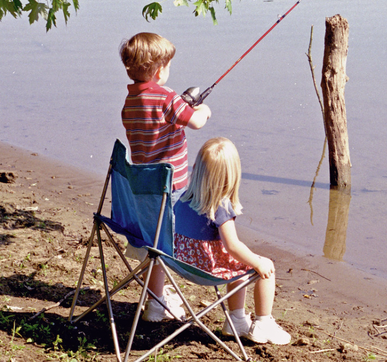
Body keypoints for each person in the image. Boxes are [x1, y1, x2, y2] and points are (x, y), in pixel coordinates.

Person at [119, 32, 212, 322]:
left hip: (143, 187)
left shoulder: (129, 102)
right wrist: (203, 109)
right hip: (171, 187)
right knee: (162, 243)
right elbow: (195, 122)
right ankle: (158, 302)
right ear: (159, 71)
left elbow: (154, 121)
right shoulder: (167, 98)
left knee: (152, 240)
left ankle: (156, 298)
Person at [173, 137, 291, 345]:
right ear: (231, 177)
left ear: (196, 168)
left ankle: (236, 320)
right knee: (265, 267)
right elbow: (232, 246)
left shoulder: (183, 197)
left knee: (237, 266)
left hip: (183, 262)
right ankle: (263, 322)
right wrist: (257, 262)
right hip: (208, 268)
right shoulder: (219, 206)